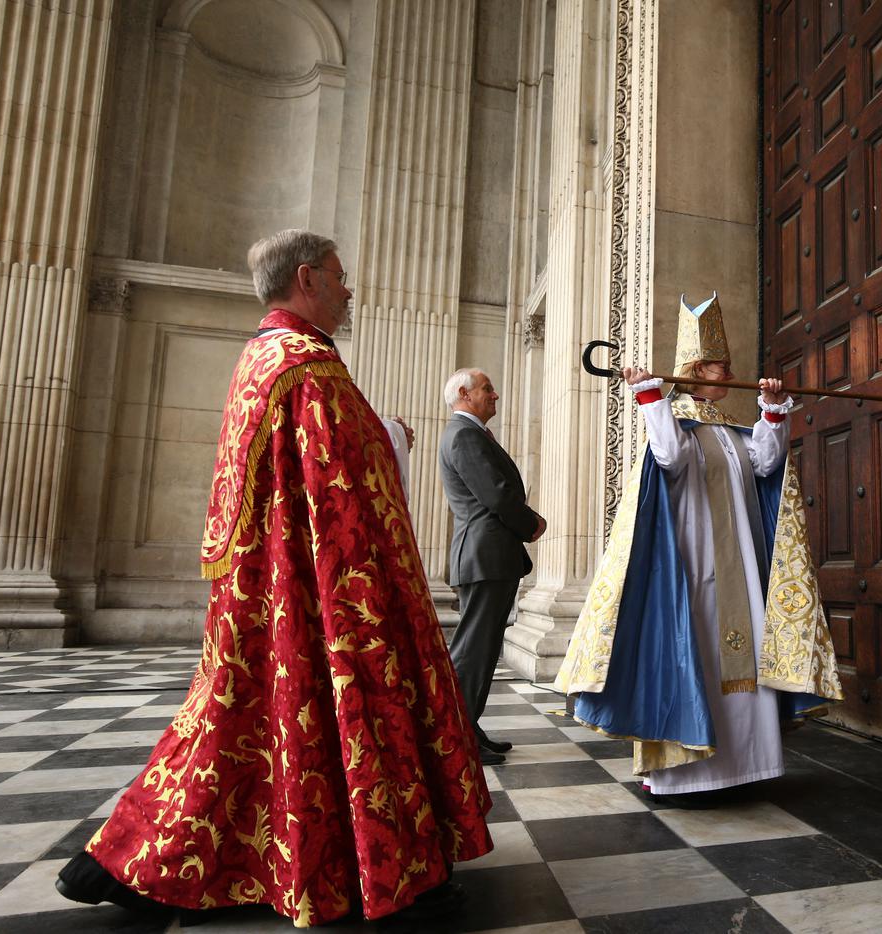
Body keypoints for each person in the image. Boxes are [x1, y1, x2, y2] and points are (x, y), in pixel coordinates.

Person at [56, 230, 493, 926]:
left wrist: (382, 434)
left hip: (263, 587)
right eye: (340, 277)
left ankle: (128, 858)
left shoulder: (262, 357)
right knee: (329, 715)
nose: (349, 291)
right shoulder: (308, 367)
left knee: (238, 724)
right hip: (317, 588)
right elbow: (342, 486)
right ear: (308, 278)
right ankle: (378, 868)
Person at [556, 293, 841, 798]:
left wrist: (772, 411)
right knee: (698, 654)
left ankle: (746, 765)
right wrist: (649, 398)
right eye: (719, 363)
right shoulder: (678, 424)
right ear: (695, 368)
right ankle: (688, 773)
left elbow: (767, 464)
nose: (729, 371)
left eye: (729, 364)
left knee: (745, 649)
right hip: (694, 563)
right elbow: (667, 456)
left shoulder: (729, 428)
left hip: (741, 565)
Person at [439, 368, 546, 766]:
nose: (495, 394)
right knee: (473, 651)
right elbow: (495, 496)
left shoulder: (469, 433)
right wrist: (531, 523)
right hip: (484, 556)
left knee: (482, 650)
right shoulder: (464, 435)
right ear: (464, 394)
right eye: (487, 389)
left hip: (488, 557)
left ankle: (469, 725)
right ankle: (458, 735)